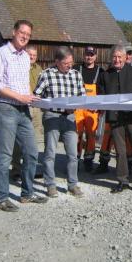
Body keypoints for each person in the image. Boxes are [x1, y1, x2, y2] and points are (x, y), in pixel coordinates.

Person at [0, 20, 47, 212]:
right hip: (5, 108)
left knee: (32, 151)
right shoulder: (0, 54)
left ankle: (27, 193)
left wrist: (31, 97)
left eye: (28, 35)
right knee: (5, 154)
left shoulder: (24, 58)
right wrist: (21, 97)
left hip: (23, 110)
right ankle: (1, 198)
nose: (24, 36)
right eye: (22, 32)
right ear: (13, 32)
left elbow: (23, 85)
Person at [34, 46, 86, 198]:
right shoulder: (46, 75)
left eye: (71, 62)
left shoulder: (76, 75)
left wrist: (75, 107)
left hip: (69, 117)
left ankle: (72, 184)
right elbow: (37, 96)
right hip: (52, 116)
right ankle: (50, 184)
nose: (69, 65)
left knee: (72, 153)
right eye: (66, 63)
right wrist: (47, 105)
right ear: (57, 61)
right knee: (50, 152)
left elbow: (82, 97)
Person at [96, 44, 132, 193]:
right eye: (114, 57)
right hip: (115, 117)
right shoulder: (105, 75)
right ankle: (122, 180)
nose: (117, 59)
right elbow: (102, 97)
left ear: (126, 58)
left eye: (120, 57)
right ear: (111, 58)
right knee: (120, 150)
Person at [11, 44, 44, 183]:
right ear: (25, 54)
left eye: (34, 55)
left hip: (36, 108)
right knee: (19, 140)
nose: (32, 57)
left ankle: (31, 169)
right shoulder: (18, 66)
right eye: (30, 54)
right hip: (21, 105)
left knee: (35, 140)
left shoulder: (39, 69)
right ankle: (16, 170)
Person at [75, 46, 102, 172]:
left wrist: (100, 107)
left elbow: (103, 91)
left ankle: (89, 159)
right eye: (87, 54)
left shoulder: (101, 72)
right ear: (83, 55)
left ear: (95, 56)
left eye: (91, 54)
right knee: (76, 134)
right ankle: (75, 160)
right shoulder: (76, 69)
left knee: (91, 135)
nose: (89, 57)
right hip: (78, 108)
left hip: (92, 109)